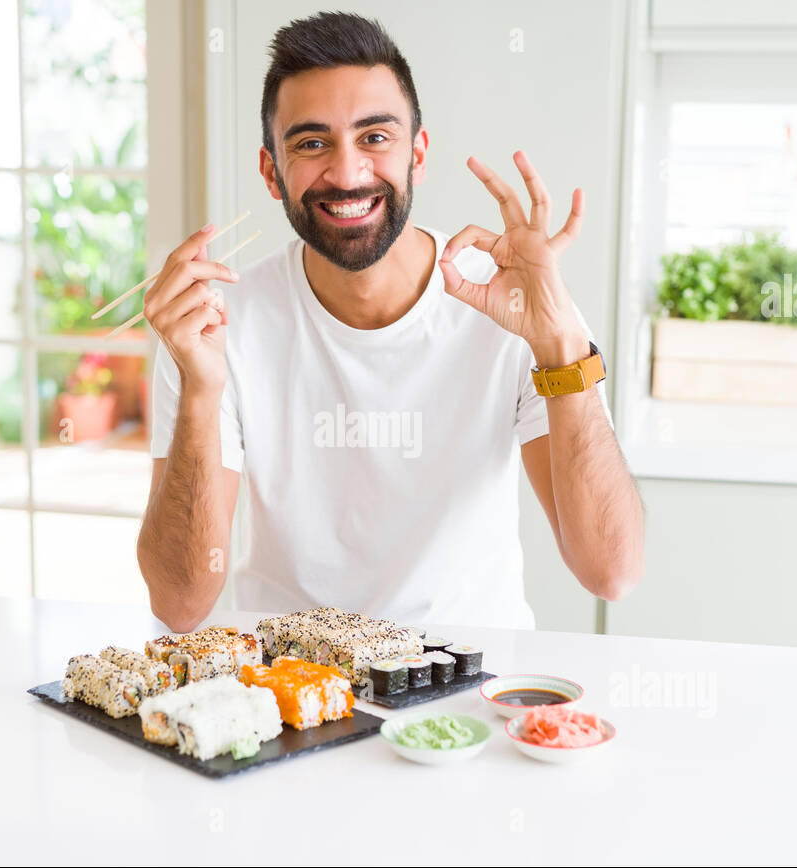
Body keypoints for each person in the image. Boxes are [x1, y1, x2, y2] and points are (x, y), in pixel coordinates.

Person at [137, 11, 644, 633]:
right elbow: (179, 605)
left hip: (468, 686)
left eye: (375, 137)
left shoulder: (516, 305)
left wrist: (561, 342)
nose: (349, 174)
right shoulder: (214, 330)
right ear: (272, 172)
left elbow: (611, 572)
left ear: (417, 154)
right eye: (312, 143)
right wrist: (200, 394)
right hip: (291, 686)